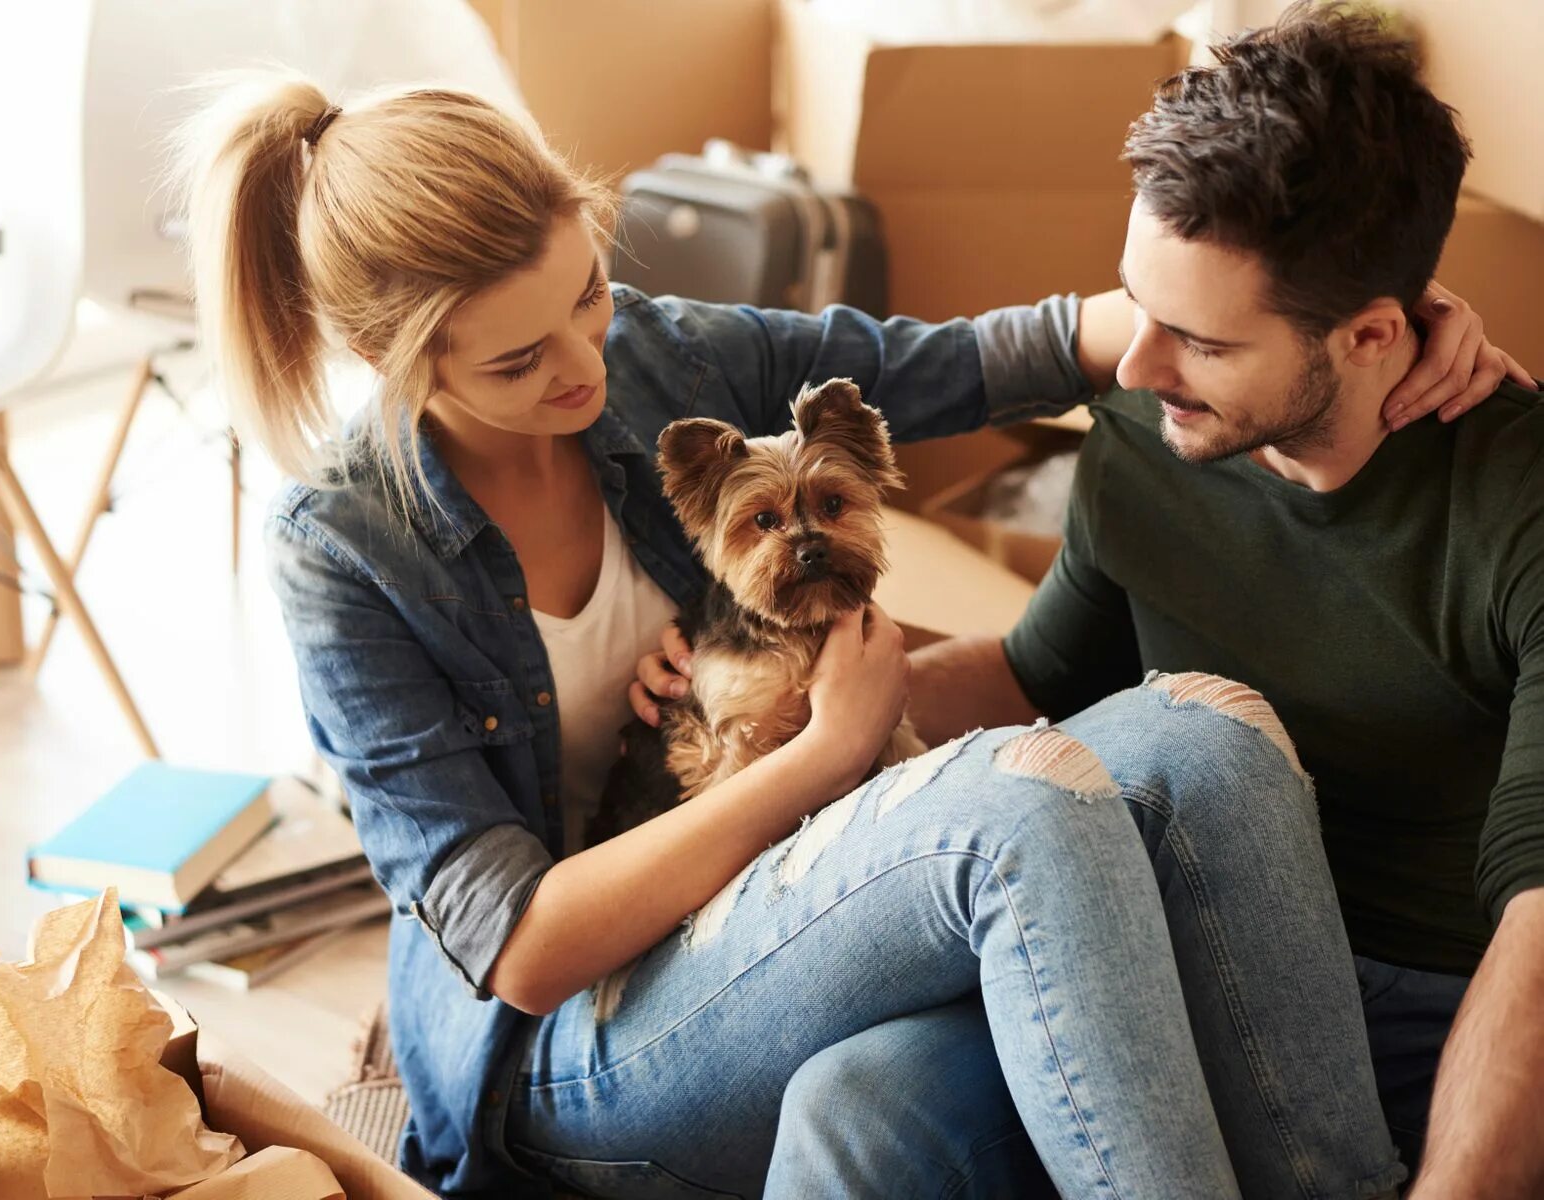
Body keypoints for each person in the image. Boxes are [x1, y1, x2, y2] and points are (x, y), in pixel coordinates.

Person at [174, 45, 1513, 1199]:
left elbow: (983, 356)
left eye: (586, 294)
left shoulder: (654, 353)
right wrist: (822, 751)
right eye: (518, 360)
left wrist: (1365, 314)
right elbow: (519, 954)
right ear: (392, 361)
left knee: (1206, 735)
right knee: (1021, 806)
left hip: (790, 905)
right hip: (587, 1037)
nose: (587, 365)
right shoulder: (345, 554)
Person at [643, 4, 1544, 1196]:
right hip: (1160, 948)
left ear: (1376, 333)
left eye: (1198, 340)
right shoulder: (1145, 426)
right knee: (854, 1105)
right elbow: (1035, 674)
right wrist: (775, 707)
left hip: (1428, 1005)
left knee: (1190, 743)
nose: (1131, 367)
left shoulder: (1515, 503)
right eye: (1135, 306)